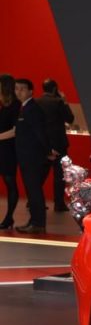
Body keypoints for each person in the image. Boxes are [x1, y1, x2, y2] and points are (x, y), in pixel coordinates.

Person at [14, 78, 50, 234]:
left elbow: (40, 132)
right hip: (26, 156)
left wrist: (48, 151)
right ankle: (34, 221)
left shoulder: (32, 109)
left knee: (34, 191)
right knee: (32, 191)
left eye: (22, 89)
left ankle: (38, 223)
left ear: (30, 91)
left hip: (32, 157)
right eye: (16, 89)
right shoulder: (24, 108)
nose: (19, 92)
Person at [36, 78, 74, 211]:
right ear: (55, 89)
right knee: (59, 175)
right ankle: (59, 203)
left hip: (42, 143)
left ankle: (33, 200)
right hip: (58, 143)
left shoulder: (36, 102)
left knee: (40, 174)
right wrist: (64, 101)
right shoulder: (58, 101)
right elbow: (70, 119)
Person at [0, 74, 20, 231]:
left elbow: (15, 130)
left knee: (10, 182)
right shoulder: (3, 105)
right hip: (2, 147)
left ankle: (9, 217)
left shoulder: (15, 106)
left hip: (8, 149)